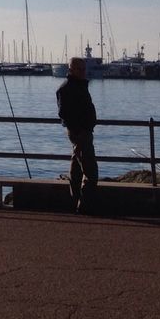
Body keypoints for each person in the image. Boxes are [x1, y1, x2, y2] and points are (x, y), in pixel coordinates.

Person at [56, 55, 98, 213]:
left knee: (77, 166)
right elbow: (64, 114)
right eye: (79, 69)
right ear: (71, 70)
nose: (83, 72)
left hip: (83, 130)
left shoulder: (79, 86)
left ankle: (75, 200)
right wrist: (78, 130)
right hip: (80, 132)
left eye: (84, 69)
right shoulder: (67, 88)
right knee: (90, 171)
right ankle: (85, 205)